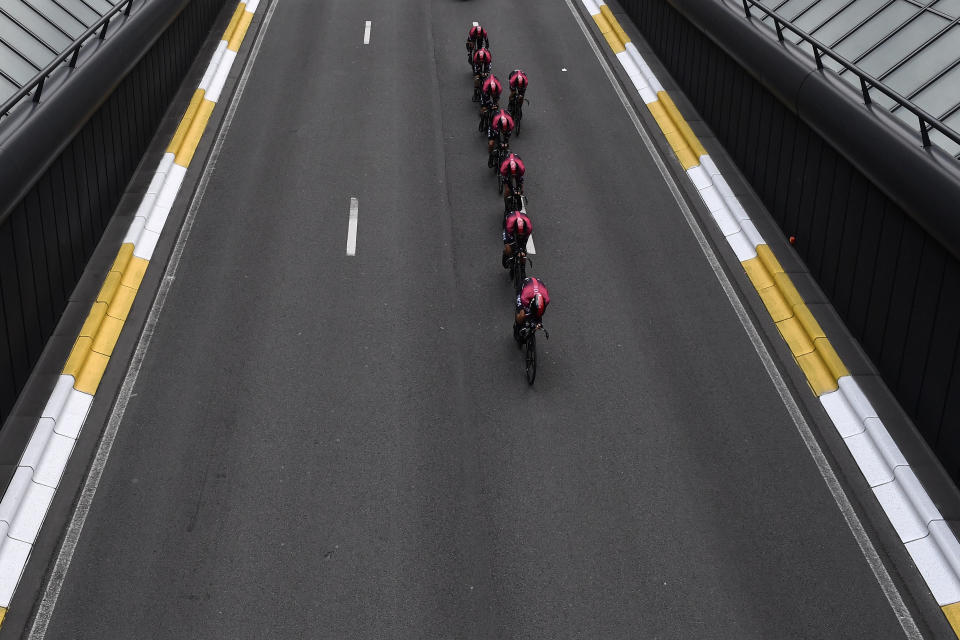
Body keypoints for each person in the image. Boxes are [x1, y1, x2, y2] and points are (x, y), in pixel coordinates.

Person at [514, 276, 550, 342]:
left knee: (537, 314)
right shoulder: (525, 298)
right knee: (522, 314)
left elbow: (540, 311)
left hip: (538, 287)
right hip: (525, 286)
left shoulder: (546, 300)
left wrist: (539, 322)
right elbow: (521, 304)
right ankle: (517, 327)